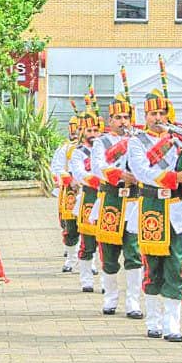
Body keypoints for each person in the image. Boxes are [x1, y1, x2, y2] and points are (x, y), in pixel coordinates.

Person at [128, 89, 182, 343]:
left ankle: (172, 323)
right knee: (152, 265)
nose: (158, 117)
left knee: (177, 264)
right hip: (151, 207)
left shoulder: (181, 140)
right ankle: (153, 320)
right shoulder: (137, 142)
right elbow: (142, 171)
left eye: (162, 113)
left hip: (176, 209)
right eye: (153, 113)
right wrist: (175, 177)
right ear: (146, 115)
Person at [91, 93, 143, 319]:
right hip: (110, 200)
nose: (123, 122)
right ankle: (110, 297)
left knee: (134, 253)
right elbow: (97, 166)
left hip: (133, 202)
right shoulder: (101, 142)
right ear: (109, 120)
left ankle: (133, 301)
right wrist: (120, 174)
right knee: (109, 255)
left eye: (126, 117)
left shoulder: (138, 140)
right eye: (118, 117)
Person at [68, 110, 102, 292]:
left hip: (107, 198)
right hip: (89, 197)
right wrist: (101, 178)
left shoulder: (107, 149)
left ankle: (106, 282)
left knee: (107, 245)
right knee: (87, 243)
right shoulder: (78, 152)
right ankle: (86, 279)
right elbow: (79, 173)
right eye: (89, 131)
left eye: (96, 130)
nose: (93, 134)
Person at [50, 116, 80, 273]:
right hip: (70, 192)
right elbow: (57, 167)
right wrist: (70, 180)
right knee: (70, 227)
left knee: (91, 228)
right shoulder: (66, 148)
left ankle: (90, 262)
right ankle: (71, 258)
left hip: (90, 191)